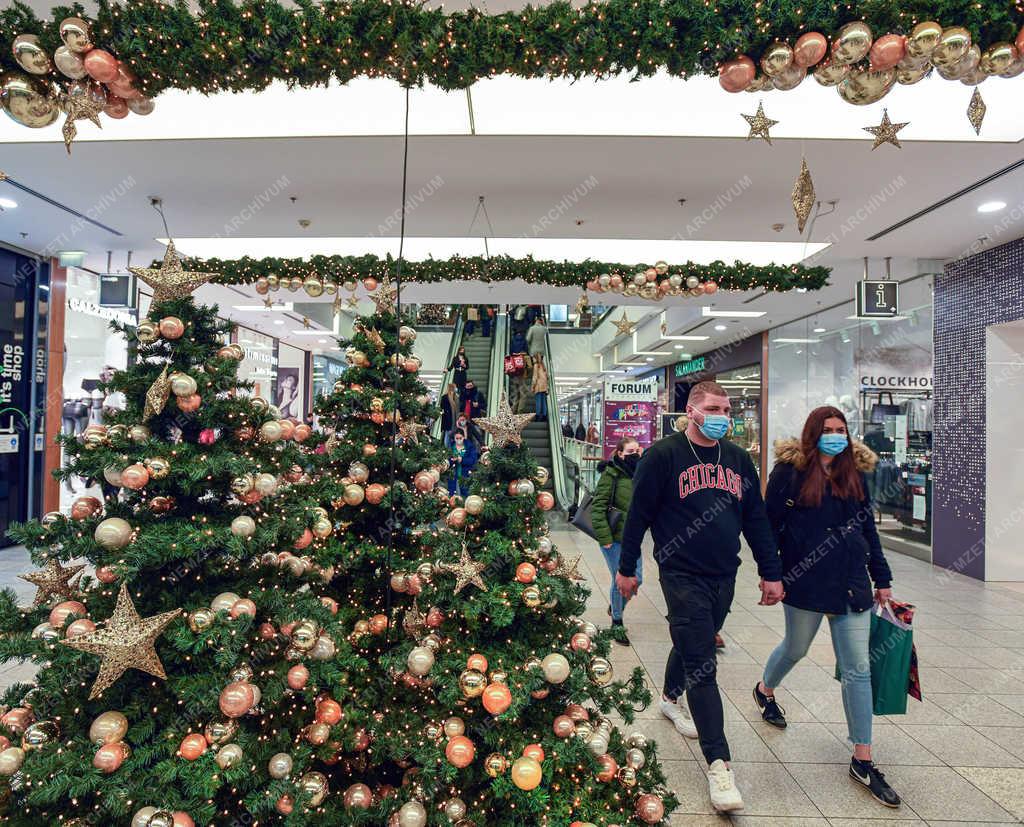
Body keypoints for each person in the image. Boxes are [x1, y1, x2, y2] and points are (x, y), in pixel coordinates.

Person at [616, 380, 782, 813]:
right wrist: (627, 567)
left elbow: (756, 520)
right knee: (702, 663)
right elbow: (638, 515)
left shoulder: (739, 459)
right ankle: (719, 765)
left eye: (727, 409)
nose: (723, 415)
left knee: (693, 642)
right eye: (713, 407)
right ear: (690, 412)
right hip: (680, 572)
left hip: (725, 575)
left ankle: (670, 699)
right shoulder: (662, 456)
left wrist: (771, 572)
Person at [755, 406, 899, 808]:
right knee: (796, 648)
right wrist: (772, 574)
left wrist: (882, 578)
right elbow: (767, 527)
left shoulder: (855, 474)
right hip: (804, 581)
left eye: (842, 430)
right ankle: (765, 689)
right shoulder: (789, 473)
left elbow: (868, 528)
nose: (836, 436)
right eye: (828, 430)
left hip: (852, 584)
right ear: (813, 433)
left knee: (857, 669)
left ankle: (863, 757)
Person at [593, 437, 643, 645]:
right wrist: (604, 538)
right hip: (612, 538)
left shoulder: (640, 473)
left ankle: (616, 605)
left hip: (632, 538)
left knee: (637, 578)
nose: (634, 455)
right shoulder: (610, 474)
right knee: (619, 578)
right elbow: (598, 507)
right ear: (620, 454)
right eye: (629, 451)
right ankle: (617, 622)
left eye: (636, 451)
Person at [447, 426, 479, 496]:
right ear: (454, 438)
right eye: (457, 438)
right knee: (451, 493)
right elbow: (448, 458)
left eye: (460, 438)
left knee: (466, 493)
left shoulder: (470, 446)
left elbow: (473, 460)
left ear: (464, 437)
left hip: (465, 474)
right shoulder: (451, 446)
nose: (458, 440)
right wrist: (451, 460)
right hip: (453, 473)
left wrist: (462, 460)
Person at [531, 352, 549, 422]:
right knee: (543, 402)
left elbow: (535, 377)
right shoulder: (543, 366)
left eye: (533, 358)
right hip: (544, 387)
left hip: (538, 387)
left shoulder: (536, 366)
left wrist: (532, 386)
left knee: (538, 402)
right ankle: (544, 416)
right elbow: (547, 377)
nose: (532, 360)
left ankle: (538, 416)